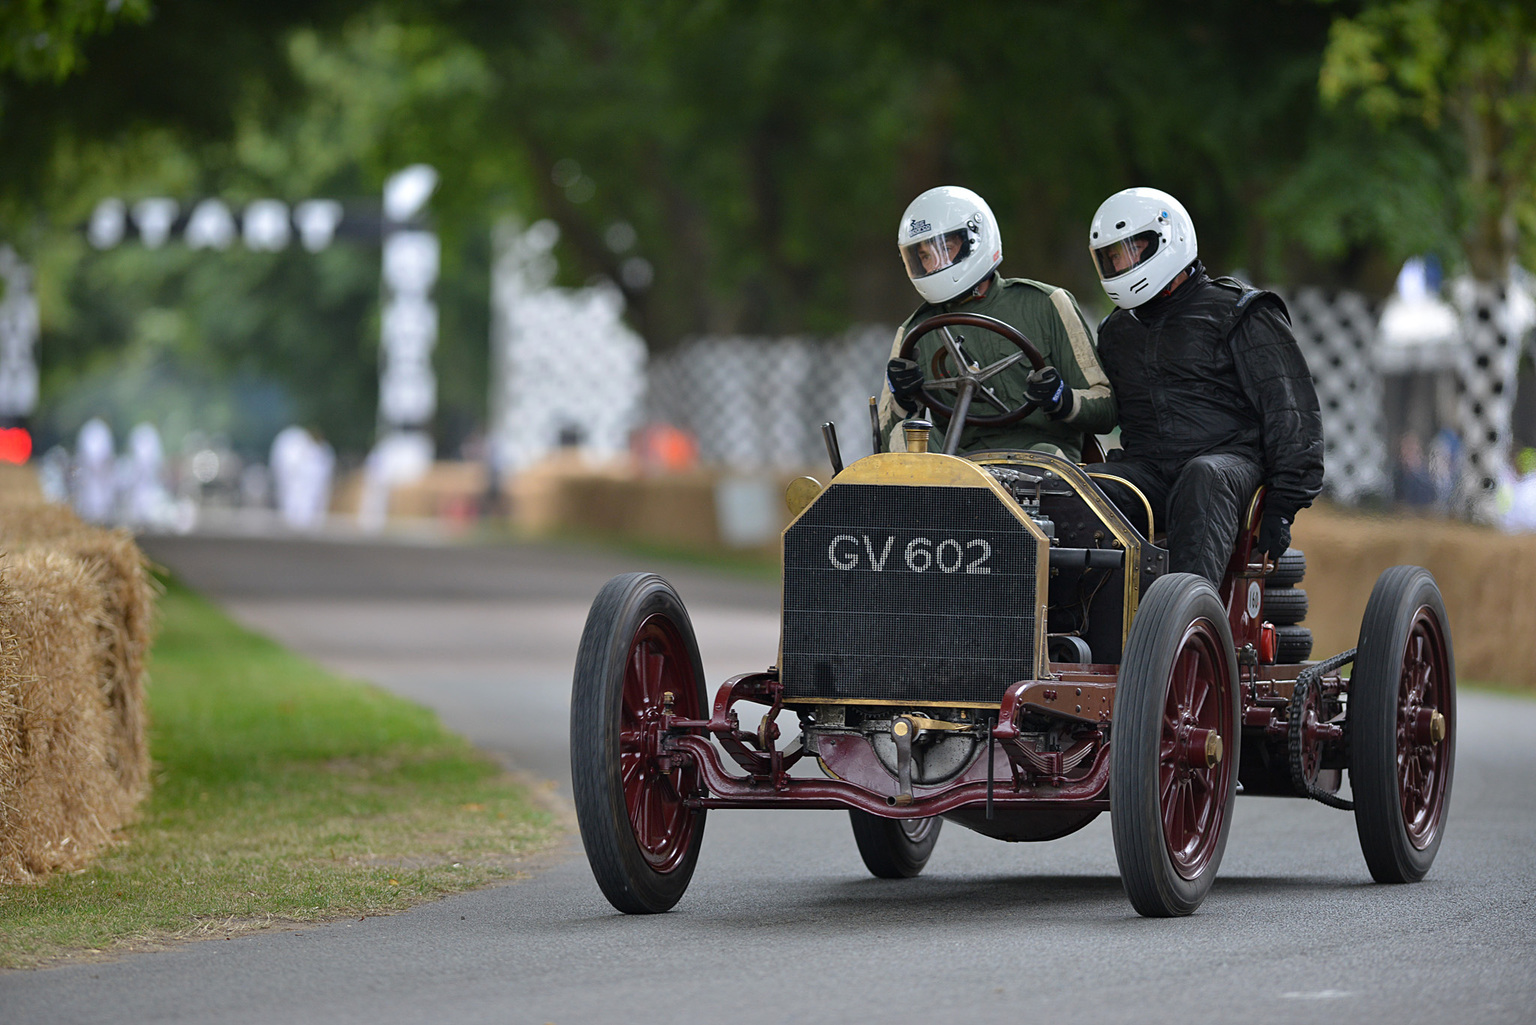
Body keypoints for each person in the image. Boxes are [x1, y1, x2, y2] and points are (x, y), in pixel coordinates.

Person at [1087, 186, 1323, 584]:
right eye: (1111, 257)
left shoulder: (1241, 311)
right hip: (1149, 472)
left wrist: (1283, 506)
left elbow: (1291, 411)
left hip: (1229, 466)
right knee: (1080, 491)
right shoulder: (1115, 331)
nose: (1119, 264)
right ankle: (1060, 629)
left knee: (1203, 477)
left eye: (1128, 251)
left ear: (1167, 240)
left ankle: (1185, 627)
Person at [877, 186, 1115, 459]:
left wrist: (1061, 397)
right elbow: (890, 443)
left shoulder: (1047, 303)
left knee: (1043, 460)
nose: (932, 267)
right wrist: (903, 398)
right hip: (958, 465)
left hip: (1040, 460)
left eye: (945, 248)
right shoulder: (914, 332)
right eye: (924, 257)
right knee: (905, 438)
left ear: (975, 240)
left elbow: (1106, 408)